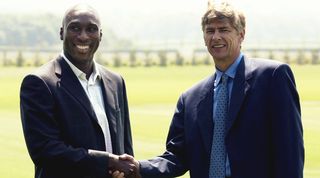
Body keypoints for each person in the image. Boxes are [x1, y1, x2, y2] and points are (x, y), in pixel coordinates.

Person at [113, 1, 304, 178]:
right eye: (209, 31)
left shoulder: (272, 77)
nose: (216, 37)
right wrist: (138, 167)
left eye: (224, 30)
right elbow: (177, 156)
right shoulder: (190, 99)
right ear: (204, 38)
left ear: (241, 35)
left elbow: (290, 150)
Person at [20, 4, 135, 178]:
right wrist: (109, 161)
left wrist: (126, 169)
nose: (83, 36)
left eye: (91, 29)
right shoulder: (40, 83)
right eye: (74, 28)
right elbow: (45, 151)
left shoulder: (116, 81)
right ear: (61, 33)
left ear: (100, 35)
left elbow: (125, 148)